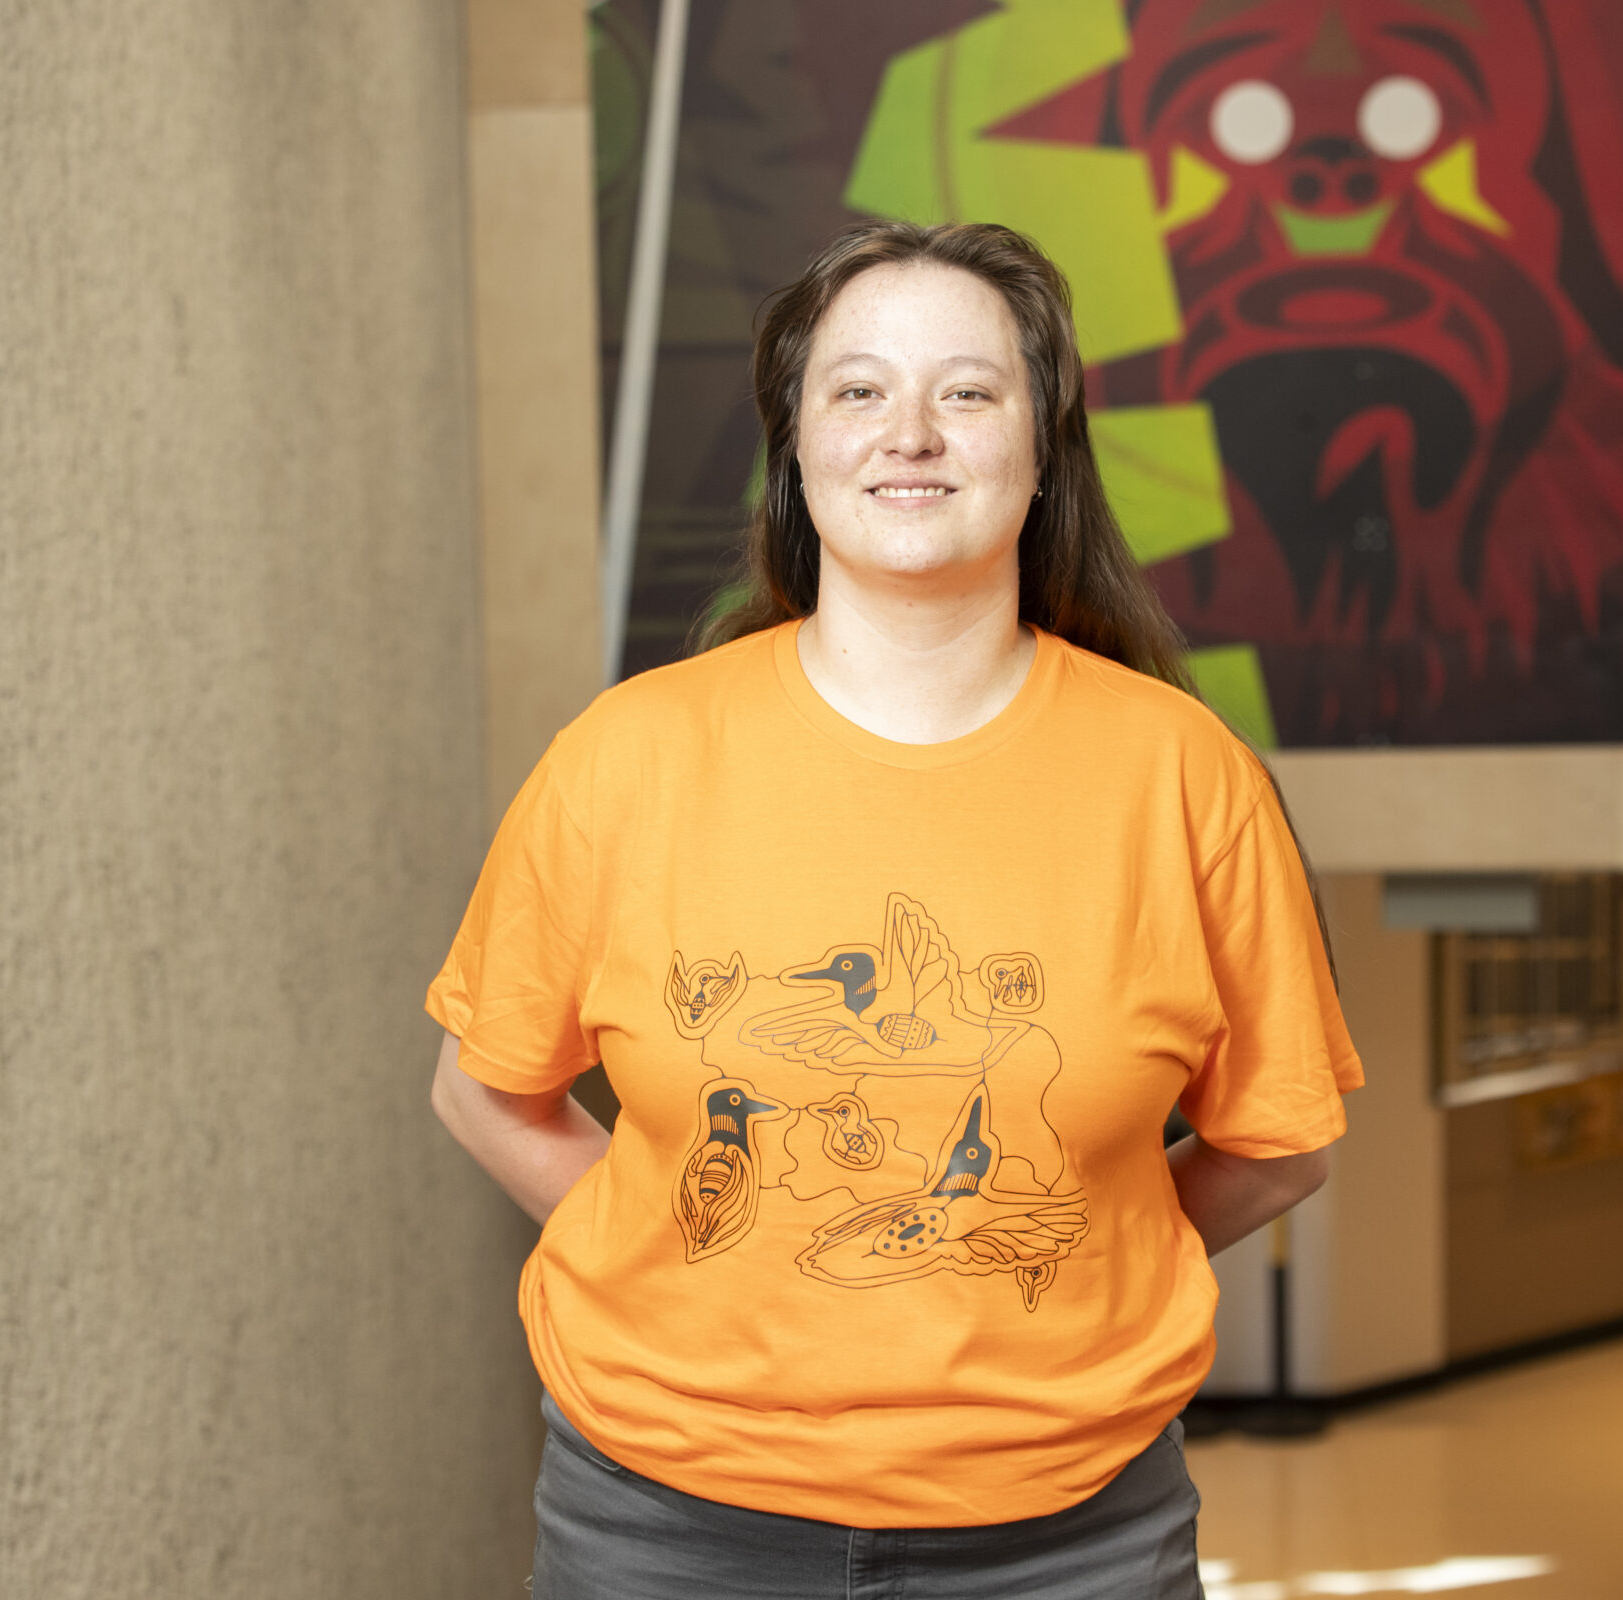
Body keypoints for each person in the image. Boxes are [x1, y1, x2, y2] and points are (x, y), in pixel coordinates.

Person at [426, 220, 1362, 1599]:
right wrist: (678, 1239)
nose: (908, 432)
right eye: (858, 391)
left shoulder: (1182, 776)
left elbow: (1279, 1144)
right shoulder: (627, 757)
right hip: (668, 1525)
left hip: (1071, 1535)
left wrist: (1065, 1233)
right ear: (796, 453)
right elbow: (483, 1088)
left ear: (1041, 453)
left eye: (968, 393)